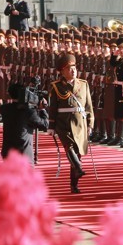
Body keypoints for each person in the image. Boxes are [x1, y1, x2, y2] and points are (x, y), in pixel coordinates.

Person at [48, 54, 94, 194]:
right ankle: (79, 168)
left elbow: (89, 107)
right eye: (69, 68)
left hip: (79, 123)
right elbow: (53, 108)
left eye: (74, 68)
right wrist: (51, 126)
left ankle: (74, 184)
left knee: (77, 152)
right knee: (69, 146)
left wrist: (90, 124)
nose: (73, 71)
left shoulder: (83, 84)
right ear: (62, 71)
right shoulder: (56, 86)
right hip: (63, 123)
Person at [0, 83, 49, 164]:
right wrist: (42, 109)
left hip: (7, 153)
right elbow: (45, 125)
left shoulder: (4, 109)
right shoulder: (29, 112)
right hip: (24, 155)